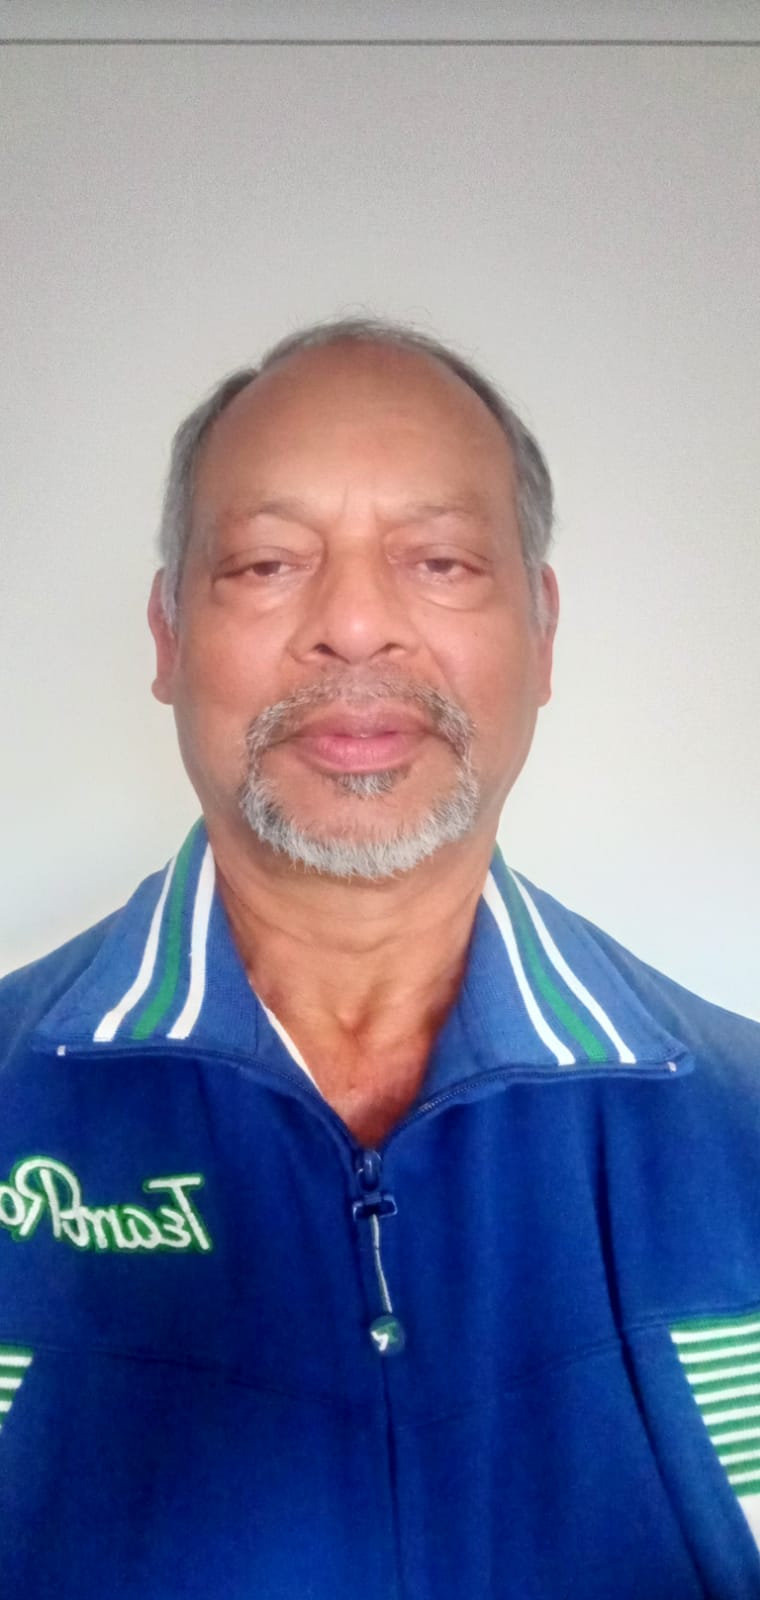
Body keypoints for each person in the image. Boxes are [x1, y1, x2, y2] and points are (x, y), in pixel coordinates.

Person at [1, 317, 759, 1600]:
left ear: (542, 631)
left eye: (441, 560)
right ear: (168, 635)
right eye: (266, 563)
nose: (355, 626)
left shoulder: (741, 1135)